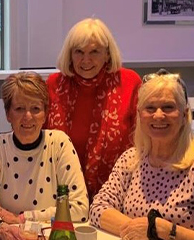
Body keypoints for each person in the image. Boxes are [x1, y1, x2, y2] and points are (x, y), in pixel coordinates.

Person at [90, 70, 194, 240]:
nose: (158, 115)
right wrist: (147, 239)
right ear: (140, 115)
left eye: (168, 107)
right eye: (150, 108)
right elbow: (99, 208)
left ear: (184, 114)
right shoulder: (131, 159)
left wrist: (161, 228)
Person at [0, 72, 89, 240]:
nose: (28, 116)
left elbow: (80, 208)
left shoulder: (59, 143)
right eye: (19, 109)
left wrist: (21, 218)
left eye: (35, 108)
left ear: (45, 114)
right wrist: (4, 229)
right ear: (8, 114)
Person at [43, 18, 142, 200]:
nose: (86, 60)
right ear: (70, 55)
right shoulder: (54, 84)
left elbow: (143, 140)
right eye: (79, 52)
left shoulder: (129, 82)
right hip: (59, 192)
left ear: (107, 54)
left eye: (94, 52)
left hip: (118, 192)